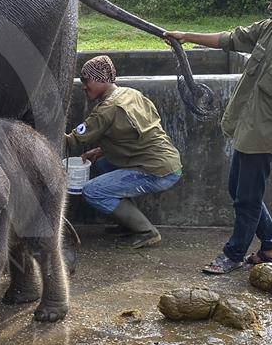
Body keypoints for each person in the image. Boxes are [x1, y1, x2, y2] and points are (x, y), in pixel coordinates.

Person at [165, 0, 272, 274]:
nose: (270, 5)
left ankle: (234, 254)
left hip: (266, 135)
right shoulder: (269, 30)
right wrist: (185, 36)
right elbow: (230, 39)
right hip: (245, 126)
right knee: (239, 191)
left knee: (247, 199)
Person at [65, 55, 183, 249]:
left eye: (87, 81)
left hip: (157, 172)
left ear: (101, 79)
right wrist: (102, 150)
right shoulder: (131, 93)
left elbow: (72, 141)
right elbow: (137, 132)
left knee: (92, 191)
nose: (84, 86)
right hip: (168, 162)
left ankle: (146, 231)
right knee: (102, 164)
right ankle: (129, 223)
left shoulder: (106, 109)